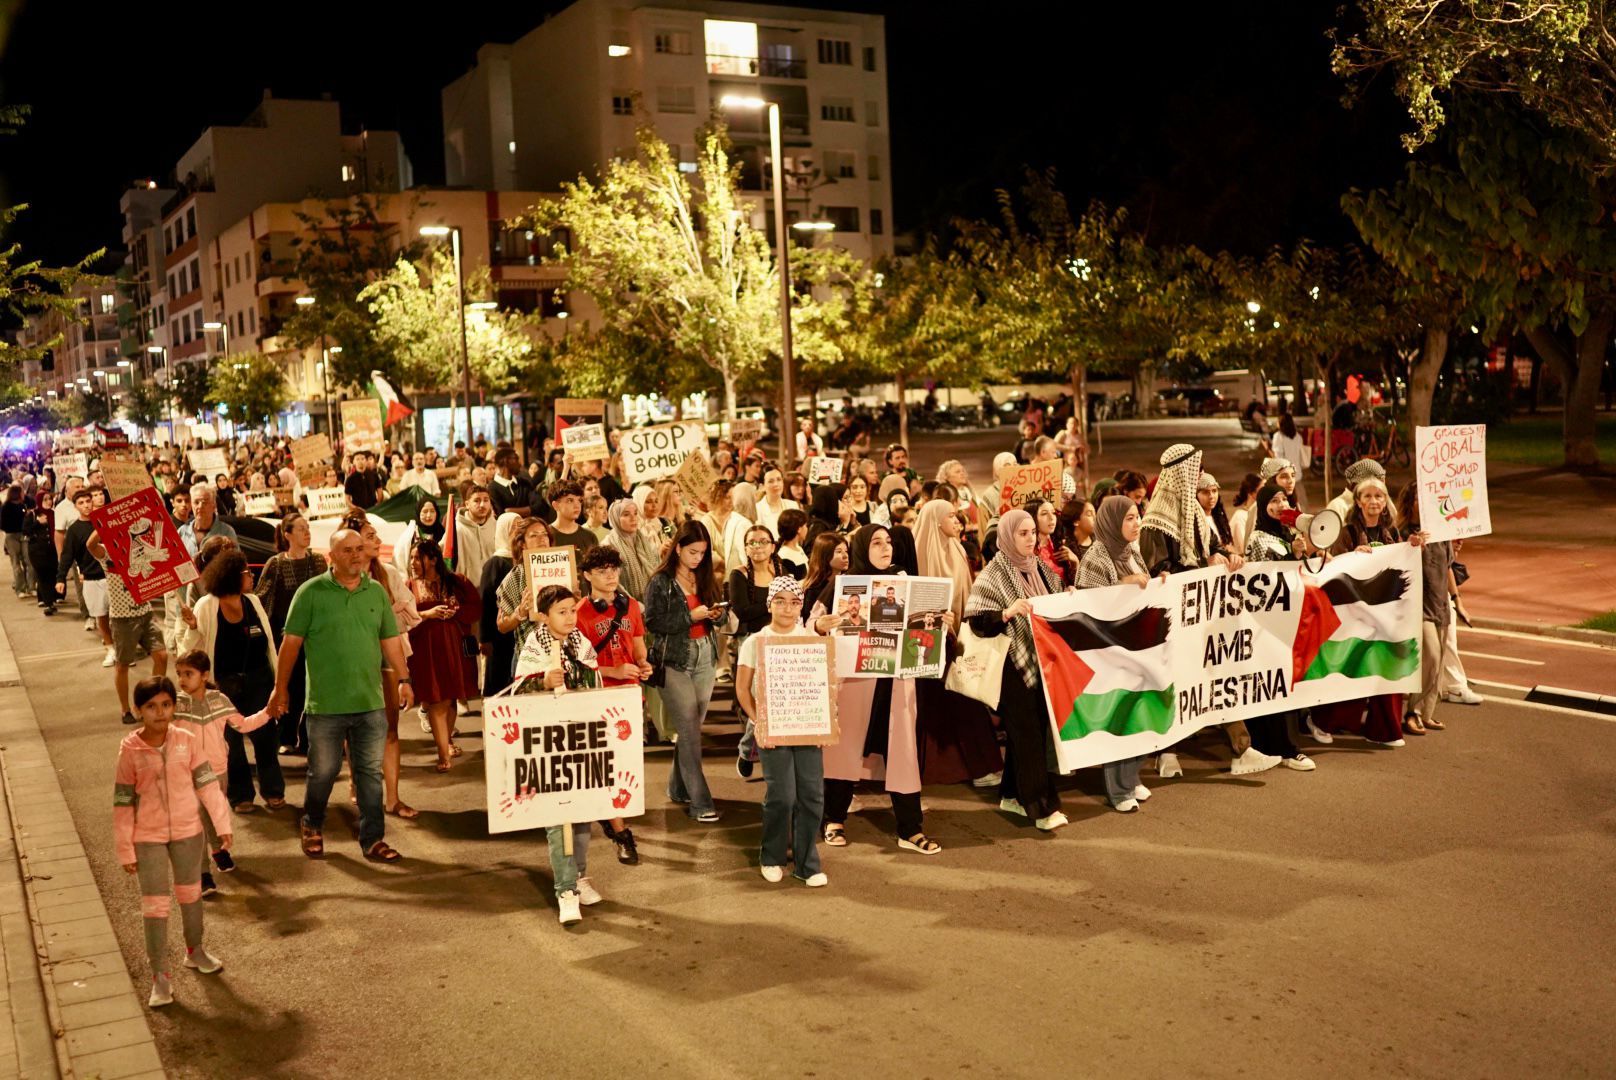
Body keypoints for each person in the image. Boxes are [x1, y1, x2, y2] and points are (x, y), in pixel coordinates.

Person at [268, 527, 412, 863]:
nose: (357, 555)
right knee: (323, 773)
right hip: (326, 706)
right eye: (348, 550)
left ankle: (373, 839)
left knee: (369, 776)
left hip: (370, 703)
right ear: (332, 557)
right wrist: (280, 689)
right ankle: (313, 823)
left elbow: (389, 640)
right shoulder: (310, 593)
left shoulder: (375, 592)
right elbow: (290, 645)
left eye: (360, 549)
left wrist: (404, 678)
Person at [818, 524, 941, 854]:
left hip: (897, 683)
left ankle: (910, 828)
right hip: (855, 684)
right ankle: (833, 819)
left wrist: (943, 621)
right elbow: (811, 624)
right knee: (844, 751)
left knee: (903, 755)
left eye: (888, 542)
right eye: (876, 542)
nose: (886, 548)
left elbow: (924, 629)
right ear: (862, 547)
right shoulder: (842, 585)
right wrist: (820, 625)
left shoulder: (905, 583)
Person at [113, 675, 231, 1009]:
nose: (160, 713)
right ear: (139, 711)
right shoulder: (130, 749)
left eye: (166, 705)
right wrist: (125, 848)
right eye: (151, 706)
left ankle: (195, 951)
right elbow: (122, 802)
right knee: (155, 907)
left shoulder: (186, 740)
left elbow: (207, 783)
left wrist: (222, 823)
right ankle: (159, 977)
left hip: (188, 833)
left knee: (191, 896)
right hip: (146, 838)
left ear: (174, 707)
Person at [964, 510, 1069, 827]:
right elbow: (977, 621)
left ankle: (1011, 796)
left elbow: (1056, 603)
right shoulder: (992, 574)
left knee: (1032, 730)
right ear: (1008, 537)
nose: (1030, 539)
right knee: (1028, 736)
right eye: (1022, 533)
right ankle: (1041, 807)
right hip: (1011, 667)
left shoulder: (1042, 570)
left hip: (1041, 665)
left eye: (1032, 532)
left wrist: (1070, 597)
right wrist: (1006, 614)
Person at [512, 584, 605, 924]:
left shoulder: (582, 643)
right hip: (549, 744)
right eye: (561, 612)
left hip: (580, 739)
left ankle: (580, 877)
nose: (569, 617)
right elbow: (518, 689)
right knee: (558, 818)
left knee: (582, 815)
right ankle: (565, 889)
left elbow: (595, 682)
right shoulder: (535, 645)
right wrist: (541, 682)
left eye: (572, 610)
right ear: (545, 615)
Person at [1072, 496, 1166, 810]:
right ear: (1112, 522)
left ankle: (1132, 777)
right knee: (1119, 717)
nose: (1136, 523)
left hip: (1135, 647)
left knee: (1139, 712)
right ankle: (1118, 790)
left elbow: (1141, 591)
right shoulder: (1097, 557)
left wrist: (1157, 584)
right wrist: (1122, 584)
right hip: (1110, 652)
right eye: (1128, 518)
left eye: (1137, 516)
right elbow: (1088, 605)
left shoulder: (1132, 551)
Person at [735, 576, 828, 887]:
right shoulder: (755, 641)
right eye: (780, 601)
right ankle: (772, 855)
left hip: (808, 728)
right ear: (769, 604)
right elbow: (742, 689)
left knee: (812, 795)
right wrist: (757, 720)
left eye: (794, 602)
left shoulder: (810, 640)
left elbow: (825, 683)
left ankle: (807, 863)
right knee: (782, 795)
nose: (787, 608)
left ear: (801, 605)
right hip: (772, 728)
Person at [178, 547, 285, 812]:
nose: (251, 577)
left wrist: (278, 685)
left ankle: (273, 790)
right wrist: (192, 628)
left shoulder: (253, 602)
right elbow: (190, 651)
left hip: (259, 680)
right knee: (231, 742)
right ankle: (241, 796)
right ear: (231, 576)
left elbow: (269, 644)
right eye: (246, 572)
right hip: (223, 684)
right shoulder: (207, 605)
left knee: (266, 737)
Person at [913, 498, 1003, 787]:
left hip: (961, 636)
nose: (957, 521)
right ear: (936, 521)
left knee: (966, 699)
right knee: (946, 704)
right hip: (931, 642)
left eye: (956, 516)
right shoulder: (919, 555)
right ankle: (961, 767)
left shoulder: (958, 550)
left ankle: (978, 766)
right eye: (950, 516)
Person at [574, 545, 651, 865]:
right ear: (588, 575)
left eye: (614, 570)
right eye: (602, 571)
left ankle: (612, 817)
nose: (610, 576)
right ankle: (620, 831)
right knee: (607, 765)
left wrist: (644, 665)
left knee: (626, 764)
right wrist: (613, 671)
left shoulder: (631, 605)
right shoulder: (579, 612)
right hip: (598, 695)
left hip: (630, 694)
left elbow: (638, 645)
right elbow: (577, 663)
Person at [171, 650, 272, 893]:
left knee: (214, 819)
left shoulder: (219, 700)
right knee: (195, 823)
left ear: (204, 675)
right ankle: (202, 874)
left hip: (217, 771)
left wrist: (270, 711)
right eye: (179, 674)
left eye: (188, 674)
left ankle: (218, 850)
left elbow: (244, 724)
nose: (182, 680)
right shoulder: (176, 704)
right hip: (188, 773)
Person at [644, 522, 724, 822]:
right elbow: (653, 621)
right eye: (692, 552)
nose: (697, 558)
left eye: (702, 553)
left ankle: (678, 787)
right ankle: (701, 802)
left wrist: (717, 613)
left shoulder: (703, 577)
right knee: (689, 732)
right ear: (677, 548)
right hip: (674, 660)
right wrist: (690, 616)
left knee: (692, 729)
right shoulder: (661, 581)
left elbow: (720, 611)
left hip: (705, 655)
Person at [1238, 484, 1317, 771]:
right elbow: (1262, 580)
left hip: (1288, 619)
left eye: (1283, 499)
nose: (1280, 504)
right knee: (1269, 684)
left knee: (1284, 685)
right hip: (1265, 623)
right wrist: (1289, 557)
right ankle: (1278, 748)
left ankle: (1284, 745)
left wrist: (1300, 554)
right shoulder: (1258, 538)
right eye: (1273, 500)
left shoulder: (1288, 534)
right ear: (1262, 506)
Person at [254, 514, 327, 754]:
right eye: (301, 529)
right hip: (286, 637)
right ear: (287, 535)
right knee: (289, 686)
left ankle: (308, 738)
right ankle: (285, 735)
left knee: (313, 687)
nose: (307, 533)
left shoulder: (318, 561)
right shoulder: (276, 564)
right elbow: (262, 599)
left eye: (308, 528)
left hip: (316, 636)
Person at [406, 539, 481, 770]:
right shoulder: (409, 586)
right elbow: (403, 618)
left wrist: (456, 611)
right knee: (437, 701)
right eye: (411, 559)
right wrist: (428, 614)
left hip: (455, 651)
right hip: (425, 653)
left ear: (433, 559)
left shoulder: (458, 582)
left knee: (450, 699)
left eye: (418, 558)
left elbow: (476, 608)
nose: (413, 563)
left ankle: (446, 741)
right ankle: (442, 754)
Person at [1138, 445, 1244, 576]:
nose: (1200, 476)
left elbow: (1212, 545)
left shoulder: (1194, 508)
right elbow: (1157, 570)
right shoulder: (1156, 520)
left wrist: (1229, 556)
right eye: (1196, 470)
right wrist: (1204, 564)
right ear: (1182, 474)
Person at [728, 524, 783, 776]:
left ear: (773, 545)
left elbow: (795, 605)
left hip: (782, 641)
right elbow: (742, 611)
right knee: (757, 700)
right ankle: (748, 750)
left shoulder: (784, 570)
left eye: (763, 541)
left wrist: (770, 606)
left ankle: (751, 748)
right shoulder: (738, 575)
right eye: (752, 542)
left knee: (778, 701)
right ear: (746, 548)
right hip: (752, 641)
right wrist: (776, 603)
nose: (758, 547)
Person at [1399, 483, 1453, 737]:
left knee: (1439, 661)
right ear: (1410, 503)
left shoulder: (1442, 534)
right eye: (1421, 499)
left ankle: (1427, 713)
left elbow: (1449, 567)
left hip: (1440, 603)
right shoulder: (1403, 534)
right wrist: (1411, 548)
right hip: (1418, 606)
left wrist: (1457, 598)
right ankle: (1413, 711)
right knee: (1430, 654)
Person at [107, 552, 170, 726]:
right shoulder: (107, 552)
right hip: (122, 619)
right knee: (122, 664)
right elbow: (91, 545)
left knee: (162, 656)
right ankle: (125, 709)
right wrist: (102, 527)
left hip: (146, 612)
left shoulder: (139, 548)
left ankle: (152, 700)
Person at [55, 488, 114, 666]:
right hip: (91, 579)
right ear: (75, 507)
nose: (86, 505)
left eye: (88, 501)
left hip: (112, 575)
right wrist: (60, 578)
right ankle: (111, 649)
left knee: (118, 616)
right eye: (81, 503)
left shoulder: (105, 521)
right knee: (100, 616)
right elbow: (67, 555)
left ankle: (123, 648)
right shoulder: (74, 530)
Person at [479, 512, 524, 698]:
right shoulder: (495, 564)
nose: (518, 530)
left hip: (520, 633)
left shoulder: (524, 560)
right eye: (514, 526)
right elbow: (486, 602)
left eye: (522, 525)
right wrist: (485, 639)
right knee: (499, 684)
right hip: (500, 637)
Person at [601, 497, 662, 602]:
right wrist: (635, 606)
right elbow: (613, 583)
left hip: (654, 602)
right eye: (626, 514)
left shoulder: (644, 539)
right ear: (615, 518)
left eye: (635, 513)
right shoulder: (607, 545)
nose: (633, 518)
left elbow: (658, 568)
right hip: (624, 605)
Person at [179, 483, 237, 559]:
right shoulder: (182, 532)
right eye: (196, 502)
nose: (200, 506)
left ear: (214, 505)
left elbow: (236, 563)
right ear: (191, 505)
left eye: (204, 502)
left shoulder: (227, 532)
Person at [25, 490, 57, 615]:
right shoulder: (32, 514)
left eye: (50, 499)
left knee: (52, 575)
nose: (49, 502)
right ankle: (49, 603)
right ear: (39, 501)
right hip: (37, 551)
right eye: (45, 499)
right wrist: (37, 523)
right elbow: (26, 531)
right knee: (43, 575)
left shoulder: (54, 514)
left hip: (52, 550)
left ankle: (48, 599)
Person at [546, 480, 598, 554]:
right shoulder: (546, 536)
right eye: (570, 500)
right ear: (555, 505)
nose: (577, 505)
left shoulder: (590, 537)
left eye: (580, 500)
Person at [1053, 497, 1095, 587]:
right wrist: (1075, 562)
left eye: (1095, 513)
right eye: (1089, 514)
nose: (1095, 518)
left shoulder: (1099, 542)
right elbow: (1073, 585)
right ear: (1076, 521)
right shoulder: (1065, 549)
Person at [488, 447, 536, 519]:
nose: (520, 464)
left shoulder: (524, 483)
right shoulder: (492, 488)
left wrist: (510, 511)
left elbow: (540, 506)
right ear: (506, 461)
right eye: (516, 459)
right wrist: (528, 510)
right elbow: (501, 516)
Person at [1272, 413, 1307, 508]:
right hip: (1297, 474)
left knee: (1286, 501)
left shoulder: (1278, 437)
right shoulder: (1298, 437)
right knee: (1300, 500)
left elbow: (1278, 458)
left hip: (1285, 475)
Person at [3, 484, 31, 598]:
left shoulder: (23, 505)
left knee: (28, 561)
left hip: (24, 535)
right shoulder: (6, 507)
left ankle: (31, 586)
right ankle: (20, 588)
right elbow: (3, 524)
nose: (23, 494)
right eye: (21, 492)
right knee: (16, 563)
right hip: (12, 536)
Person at [1227, 472, 1263, 554]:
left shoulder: (1261, 515)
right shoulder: (1240, 516)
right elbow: (1245, 549)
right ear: (1251, 493)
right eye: (1262, 490)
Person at [1198, 473, 1234, 550]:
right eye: (1205, 492)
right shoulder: (1195, 522)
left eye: (1214, 491)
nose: (1211, 496)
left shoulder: (1219, 518)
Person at [776, 508, 809, 578]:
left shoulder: (799, 548)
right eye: (805, 525)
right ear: (799, 529)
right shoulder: (784, 555)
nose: (807, 529)